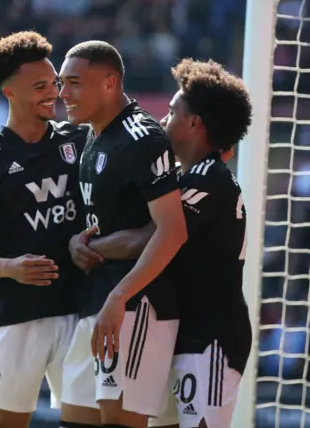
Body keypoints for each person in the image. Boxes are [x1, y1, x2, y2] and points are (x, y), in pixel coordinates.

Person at [76, 59, 253, 428]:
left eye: (172, 112)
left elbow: (150, 236)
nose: (162, 121)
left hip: (211, 340)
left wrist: (88, 245)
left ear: (194, 124)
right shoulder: (187, 176)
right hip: (183, 332)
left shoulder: (209, 179)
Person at [0, 31, 90, 428]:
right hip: (18, 315)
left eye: (54, 83)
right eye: (40, 86)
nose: (53, 92)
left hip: (81, 310)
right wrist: (8, 268)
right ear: (10, 93)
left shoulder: (82, 139)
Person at [61, 41, 187, 428]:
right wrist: (77, 241)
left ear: (110, 83)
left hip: (132, 307)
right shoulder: (94, 135)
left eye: (74, 83)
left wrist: (119, 297)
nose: (63, 94)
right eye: (62, 83)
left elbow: (172, 231)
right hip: (95, 305)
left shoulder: (142, 138)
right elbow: (111, 219)